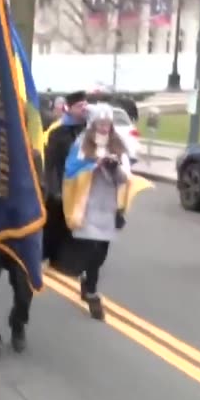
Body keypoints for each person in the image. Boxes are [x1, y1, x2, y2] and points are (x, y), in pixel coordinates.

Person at [58, 103, 149, 314]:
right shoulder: (82, 144)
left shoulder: (118, 144)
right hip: (88, 205)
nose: (104, 127)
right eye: (100, 123)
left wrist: (114, 166)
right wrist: (93, 166)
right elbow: (71, 171)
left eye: (107, 124)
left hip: (109, 206)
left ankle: (87, 278)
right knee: (92, 248)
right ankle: (91, 291)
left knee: (102, 253)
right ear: (93, 124)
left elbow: (126, 177)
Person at [41, 91, 89, 264]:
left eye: (85, 105)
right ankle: (47, 256)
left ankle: (72, 258)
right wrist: (52, 188)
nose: (84, 108)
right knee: (55, 224)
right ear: (69, 108)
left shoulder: (88, 129)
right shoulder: (58, 131)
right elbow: (50, 162)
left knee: (77, 223)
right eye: (79, 106)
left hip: (82, 185)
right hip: (62, 184)